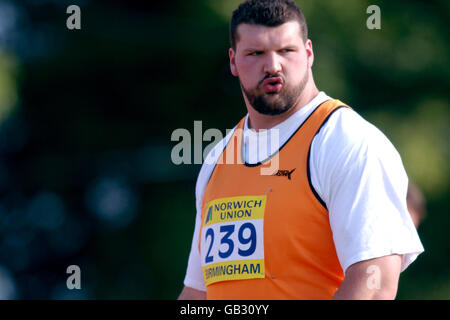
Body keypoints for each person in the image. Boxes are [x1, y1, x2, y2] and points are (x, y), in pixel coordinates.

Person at [178, 0, 424, 300]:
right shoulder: (219, 157)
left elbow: (375, 285)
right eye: (255, 53)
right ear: (233, 61)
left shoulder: (347, 142)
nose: (272, 66)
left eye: (286, 51)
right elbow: (197, 293)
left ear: (308, 53)